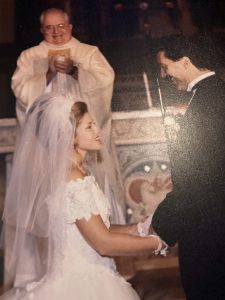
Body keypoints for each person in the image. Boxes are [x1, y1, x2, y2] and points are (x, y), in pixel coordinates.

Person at [0, 93, 167, 300]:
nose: (98, 131)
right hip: (83, 286)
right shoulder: (72, 177)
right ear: (69, 135)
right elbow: (103, 243)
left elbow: (93, 228)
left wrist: (137, 228)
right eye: (89, 127)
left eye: (94, 124)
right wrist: (157, 243)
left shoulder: (76, 171)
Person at [11, 7, 125, 223]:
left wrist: (76, 71)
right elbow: (22, 92)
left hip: (85, 142)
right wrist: (49, 73)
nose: (56, 32)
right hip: (45, 147)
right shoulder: (29, 56)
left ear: (70, 26)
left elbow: (105, 81)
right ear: (42, 29)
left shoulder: (89, 53)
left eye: (61, 26)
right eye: (49, 28)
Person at [151, 34, 225, 299]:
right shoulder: (213, 94)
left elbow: (194, 179)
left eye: (165, 66)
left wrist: (159, 228)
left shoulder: (206, 103)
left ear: (185, 61)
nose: (163, 74)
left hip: (208, 226)